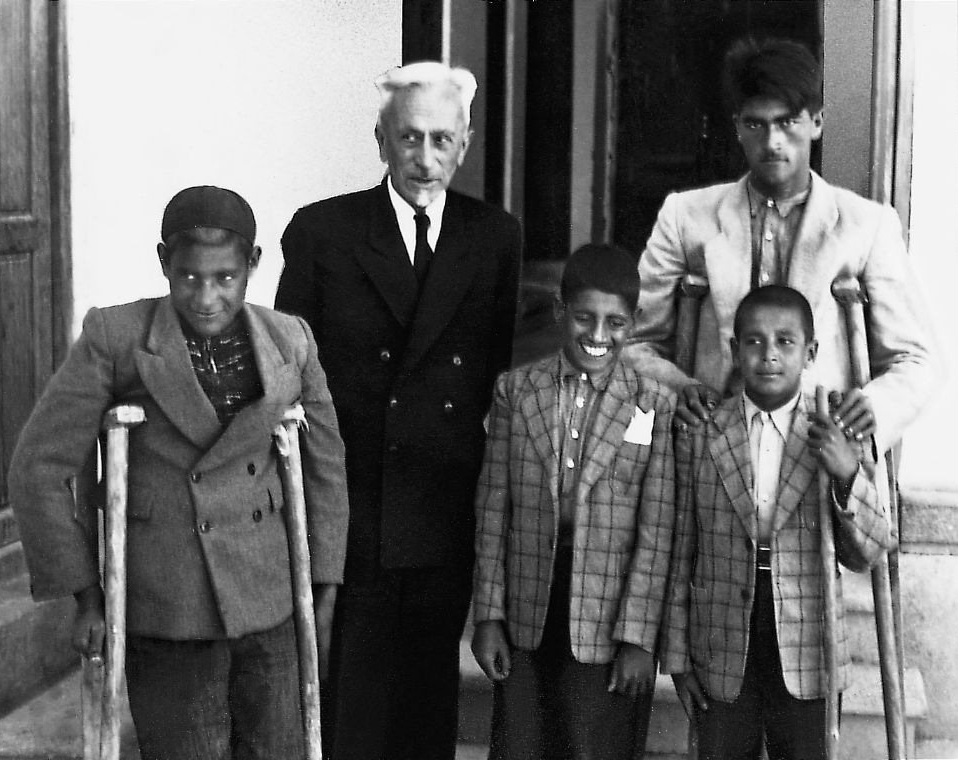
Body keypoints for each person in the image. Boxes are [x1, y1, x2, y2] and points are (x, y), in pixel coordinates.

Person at [9, 186, 350, 760]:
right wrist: (87, 596)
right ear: (164, 262)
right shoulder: (116, 338)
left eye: (225, 278)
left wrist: (325, 584)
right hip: (168, 602)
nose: (207, 297)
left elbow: (327, 468)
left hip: (268, 597)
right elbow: (37, 469)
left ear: (254, 267)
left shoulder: (291, 340)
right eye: (189, 277)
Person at [274, 61, 522, 759]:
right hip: (354, 497)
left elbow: (491, 373)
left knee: (425, 698)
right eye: (408, 139)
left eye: (441, 141)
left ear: (465, 143)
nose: (425, 158)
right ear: (380, 141)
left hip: (441, 497)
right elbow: (292, 368)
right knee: (353, 693)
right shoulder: (323, 232)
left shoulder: (494, 237)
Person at [629, 37, 936, 453]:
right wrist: (675, 391)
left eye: (788, 122)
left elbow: (912, 360)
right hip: (712, 449)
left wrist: (874, 409)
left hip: (815, 453)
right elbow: (634, 342)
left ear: (816, 123)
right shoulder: (686, 218)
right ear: (737, 126)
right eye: (756, 124)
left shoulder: (867, 226)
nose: (773, 141)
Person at [660, 285, 895, 760]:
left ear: (810, 353)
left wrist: (847, 472)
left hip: (810, 645)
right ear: (734, 349)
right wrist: (679, 659)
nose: (769, 355)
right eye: (754, 341)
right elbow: (682, 547)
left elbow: (869, 551)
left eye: (785, 342)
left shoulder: (837, 428)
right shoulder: (705, 431)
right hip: (721, 643)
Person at [471, 244, 676, 760]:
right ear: (561, 311)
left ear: (636, 323)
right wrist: (489, 616)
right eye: (584, 317)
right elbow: (494, 509)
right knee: (520, 744)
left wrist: (638, 637)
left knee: (592, 747)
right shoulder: (516, 392)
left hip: (609, 620)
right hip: (527, 608)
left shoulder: (655, 403)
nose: (598, 335)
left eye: (615, 322)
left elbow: (657, 530)